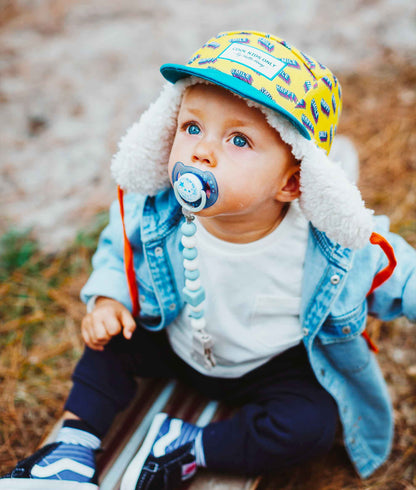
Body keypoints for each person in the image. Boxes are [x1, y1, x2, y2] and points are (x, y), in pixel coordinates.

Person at [1, 30, 415, 490]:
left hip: (269, 366)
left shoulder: (326, 244)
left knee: (312, 424)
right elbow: (120, 248)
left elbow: (401, 273)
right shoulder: (159, 209)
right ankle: (71, 448)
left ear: (292, 183)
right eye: (192, 127)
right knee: (109, 343)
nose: (201, 149)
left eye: (238, 140)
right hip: (174, 338)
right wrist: (108, 300)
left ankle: (190, 446)